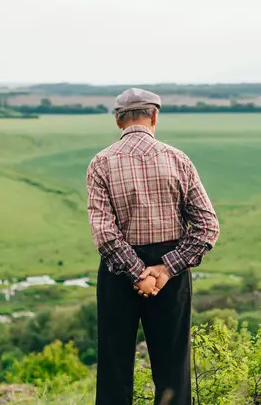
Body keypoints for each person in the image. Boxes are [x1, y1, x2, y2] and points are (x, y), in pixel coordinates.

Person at [86, 87, 220, 405]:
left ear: (119, 121)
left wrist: (137, 274)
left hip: (118, 273)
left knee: (114, 367)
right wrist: (164, 269)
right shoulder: (178, 160)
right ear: (155, 116)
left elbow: (105, 234)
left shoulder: (101, 163)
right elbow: (207, 227)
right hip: (170, 277)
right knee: (173, 366)